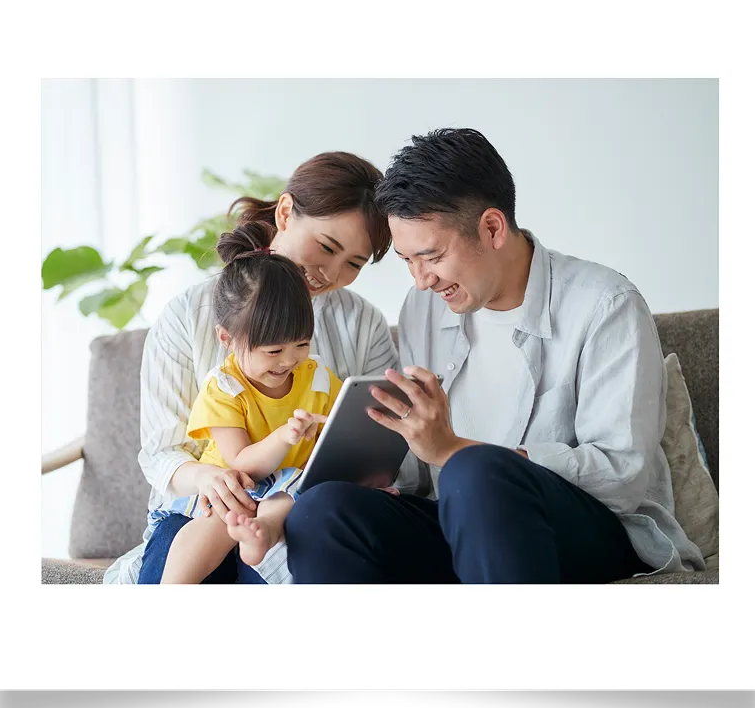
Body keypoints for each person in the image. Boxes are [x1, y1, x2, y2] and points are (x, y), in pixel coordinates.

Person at [282, 128, 706, 583]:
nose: (421, 279)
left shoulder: (605, 304)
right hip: (462, 524)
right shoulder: (423, 307)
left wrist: (454, 451)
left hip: (588, 530)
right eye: (407, 260)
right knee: (323, 510)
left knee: (475, 473)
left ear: (492, 228)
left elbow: (622, 477)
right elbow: (419, 472)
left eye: (432, 256)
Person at [104, 151, 422, 585]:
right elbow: (161, 452)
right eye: (327, 247)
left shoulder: (362, 323)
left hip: (302, 511)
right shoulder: (190, 314)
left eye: (354, 263)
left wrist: (365, 476)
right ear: (286, 213)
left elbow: (388, 439)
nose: (329, 272)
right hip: (205, 508)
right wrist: (211, 479)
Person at [152, 221, 343, 582]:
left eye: (301, 344)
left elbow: (337, 437)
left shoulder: (317, 378)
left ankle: (262, 533)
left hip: (287, 490)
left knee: (292, 496)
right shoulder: (224, 388)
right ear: (226, 338)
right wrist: (284, 437)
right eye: (273, 351)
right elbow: (242, 464)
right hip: (232, 488)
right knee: (220, 519)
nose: (289, 360)